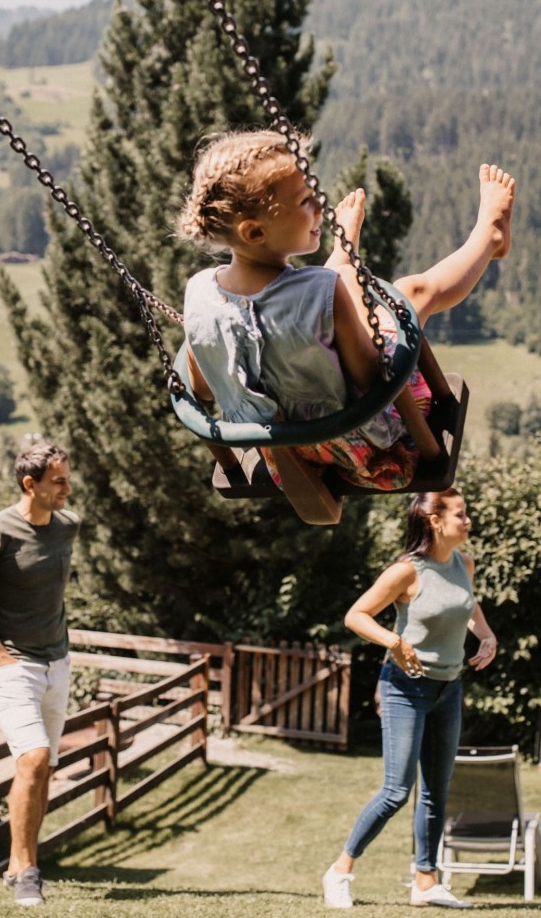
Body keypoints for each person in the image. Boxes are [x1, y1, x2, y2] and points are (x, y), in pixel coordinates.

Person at [178, 129, 515, 491]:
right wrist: (350, 299)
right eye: (307, 200)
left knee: (322, 296)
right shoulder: (326, 293)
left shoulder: (199, 295)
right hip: (366, 447)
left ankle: (342, 255)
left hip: (286, 455)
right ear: (255, 232)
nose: (321, 206)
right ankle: (490, 237)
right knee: (410, 292)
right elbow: (373, 380)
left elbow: (205, 390)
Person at [322, 488, 497, 909]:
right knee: (397, 791)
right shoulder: (406, 571)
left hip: (448, 688)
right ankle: (340, 871)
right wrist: (394, 640)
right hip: (404, 688)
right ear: (435, 521)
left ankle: (425, 881)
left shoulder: (464, 564)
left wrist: (487, 635)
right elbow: (356, 615)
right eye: (461, 514)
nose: (467, 520)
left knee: (437, 791)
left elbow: (467, 607)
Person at [0, 440, 79, 907]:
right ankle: (28, 872)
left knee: (44, 769)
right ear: (31, 485)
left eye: (67, 477)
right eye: (59, 481)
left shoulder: (68, 526)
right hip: (13, 667)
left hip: (58, 664)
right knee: (32, 758)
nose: (68, 487)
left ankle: (13, 864)